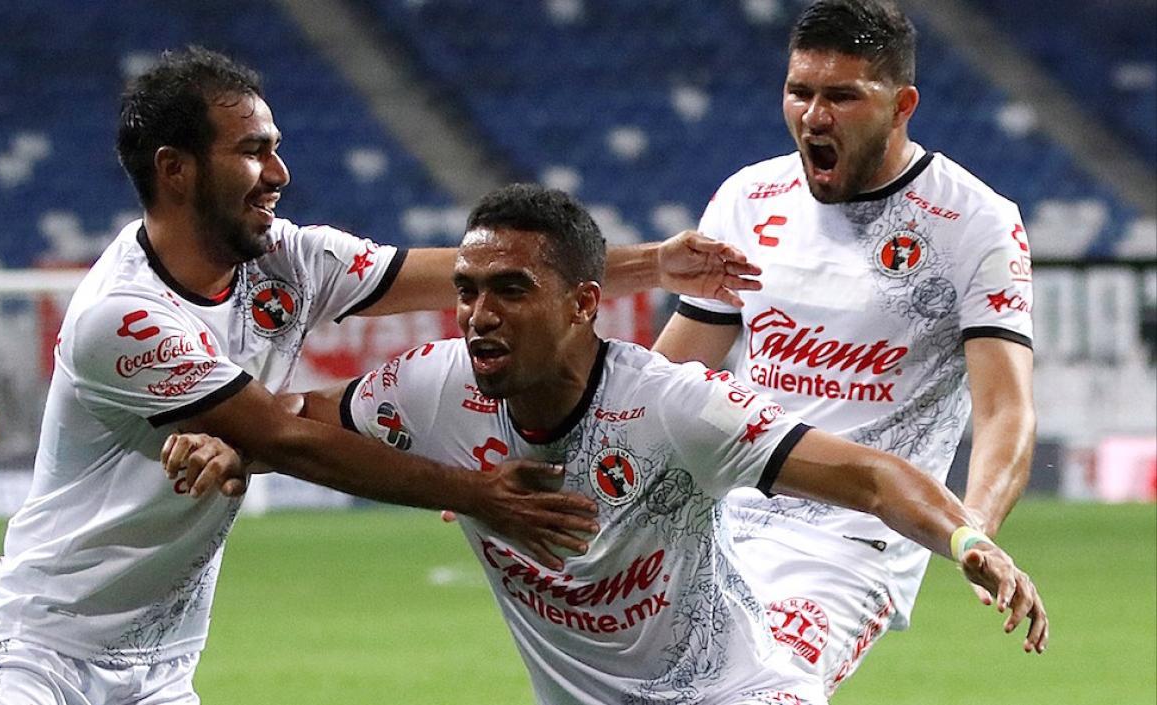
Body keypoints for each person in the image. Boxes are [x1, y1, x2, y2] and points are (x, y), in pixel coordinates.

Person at [0, 47, 762, 705]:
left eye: (277, 147)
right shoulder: (122, 315)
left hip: (158, 665)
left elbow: (472, 271)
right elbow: (288, 439)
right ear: (177, 169)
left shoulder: (286, 259)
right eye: (253, 151)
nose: (280, 172)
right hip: (40, 653)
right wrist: (480, 493)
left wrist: (653, 263)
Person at [166, 184, 1046, 705]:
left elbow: (868, 473)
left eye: (511, 290)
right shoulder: (435, 387)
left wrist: (967, 538)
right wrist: (237, 449)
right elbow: (299, 420)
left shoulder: (675, 407)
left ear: (585, 304)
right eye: (467, 291)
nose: (478, 315)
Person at [651, 0, 1039, 694]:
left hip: (853, 539)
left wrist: (969, 528)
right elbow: (672, 371)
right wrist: (562, 451)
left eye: (842, 96)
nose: (814, 116)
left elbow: (1006, 407)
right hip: (718, 512)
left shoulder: (973, 222)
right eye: (800, 92)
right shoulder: (749, 199)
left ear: (901, 104)